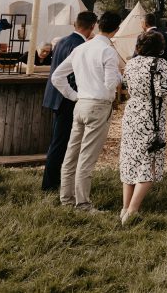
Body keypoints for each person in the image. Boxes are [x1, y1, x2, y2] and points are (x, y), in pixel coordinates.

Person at [51, 11, 123, 211]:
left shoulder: (81, 48)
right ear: (116, 29)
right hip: (98, 106)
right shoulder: (107, 51)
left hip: (81, 104)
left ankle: (66, 198)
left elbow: (57, 77)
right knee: (87, 157)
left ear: (98, 25)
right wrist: (120, 76)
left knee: (72, 153)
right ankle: (82, 203)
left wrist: (74, 96)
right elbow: (110, 83)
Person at [119, 31, 167, 225]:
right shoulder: (160, 64)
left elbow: (125, 85)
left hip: (132, 112)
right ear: (159, 47)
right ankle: (132, 211)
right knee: (149, 162)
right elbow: (163, 90)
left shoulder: (131, 63)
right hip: (151, 115)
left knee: (131, 159)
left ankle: (124, 208)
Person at [41, 11, 98, 192]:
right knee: (61, 144)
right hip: (67, 99)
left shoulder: (62, 41)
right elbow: (73, 76)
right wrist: (77, 96)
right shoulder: (80, 46)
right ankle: (50, 184)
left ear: (75, 24)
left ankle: (56, 181)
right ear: (92, 26)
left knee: (59, 142)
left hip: (55, 97)